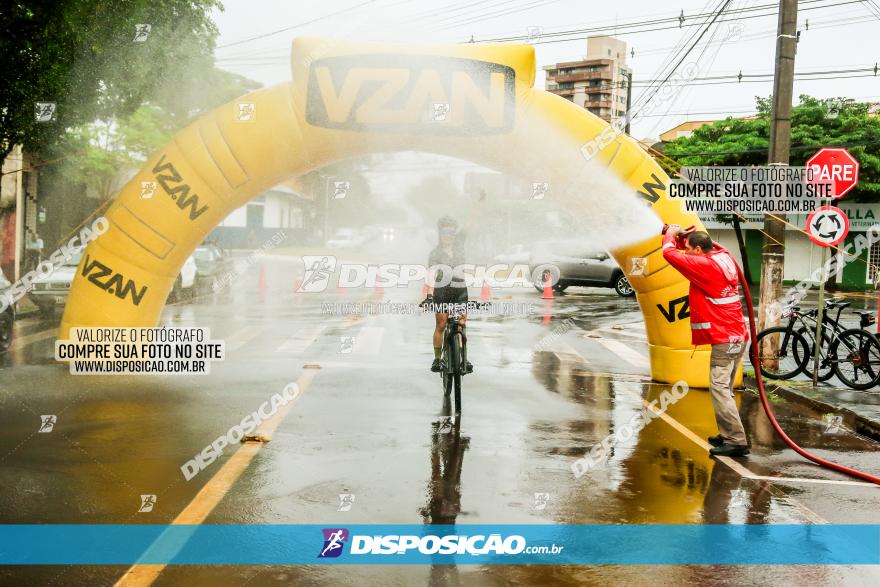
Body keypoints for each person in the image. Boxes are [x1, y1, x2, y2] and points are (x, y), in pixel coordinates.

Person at [662, 226, 750, 457]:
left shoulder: (706, 267)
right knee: (726, 389)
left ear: (699, 250)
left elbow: (669, 254)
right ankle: (728, 432)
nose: (687, 253)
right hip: (736, 335)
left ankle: (736, 440)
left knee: (719, 388)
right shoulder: (722, 257)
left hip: (724, 337)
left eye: (690, 249)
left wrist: (670, 236)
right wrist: (684, 239)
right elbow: (693, 251)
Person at [421, 216, 473, 374]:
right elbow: (430, 274)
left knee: (461, 324)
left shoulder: (459, 246)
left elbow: (470, 223)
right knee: (441, 325)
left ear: (454, 234)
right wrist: (429, 295)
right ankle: (437, 359)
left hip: (459, 289)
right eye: (444, 233)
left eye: (451, 233)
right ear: (440, 235)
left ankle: (464, 358)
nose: (448, 236)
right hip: (442, 290)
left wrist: (479, 202)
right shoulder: (435, 253)